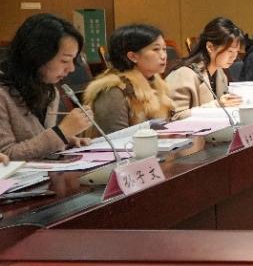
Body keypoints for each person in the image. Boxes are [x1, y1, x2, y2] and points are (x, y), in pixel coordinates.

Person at [0, 14, 93, 158]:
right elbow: (5, 156)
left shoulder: (48, 90)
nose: (71, 68)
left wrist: (66, 140)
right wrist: (61, 133)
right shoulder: (3, 94)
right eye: (65, 61)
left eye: (74, 60)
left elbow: (37, 140)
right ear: (38, 55)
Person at [82, 24, 174, 133]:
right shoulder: (113, 91)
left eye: (164, 49)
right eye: (156, 49)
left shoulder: (157, 84)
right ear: (133, 56)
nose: (163, 56)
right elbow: (115, 139)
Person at [165, 17, 245, 116]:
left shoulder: (220, 73)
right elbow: (174, 117)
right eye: (230, 51)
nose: (234, 57)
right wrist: (217, 105)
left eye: (236, 51)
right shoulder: (184, 74)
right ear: (210, 47)